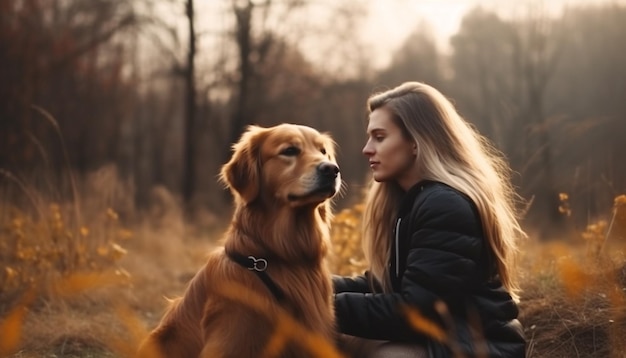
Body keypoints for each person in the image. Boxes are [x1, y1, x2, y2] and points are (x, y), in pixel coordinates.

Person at [333, 82, 527, 357]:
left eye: (379, 137)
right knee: (329, 339)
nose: (366, 149)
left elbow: (415, 310)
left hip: (478, 349)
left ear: (415, 142)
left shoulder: (444, 205)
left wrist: (319, 304)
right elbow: (383, 284)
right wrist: (307, 285)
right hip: (440, 341)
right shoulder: (413, 201)